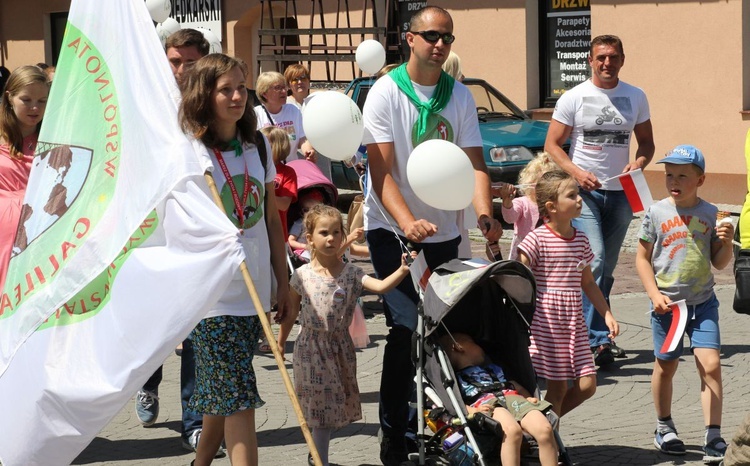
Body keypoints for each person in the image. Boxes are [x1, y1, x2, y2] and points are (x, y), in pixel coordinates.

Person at [361, 6, 503, 464]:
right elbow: (381, 171)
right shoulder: (384, 93)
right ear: (409, 39)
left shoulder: (458, 96)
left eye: (447, 37)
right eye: (430, 36)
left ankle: (443, 426)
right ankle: (393, 433)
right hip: (392, 229)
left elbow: (473, 164)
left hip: (445, 229)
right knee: (406, 329)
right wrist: (405, 223)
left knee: (447, 330)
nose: (439, 44)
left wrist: (484, 214)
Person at [179, 53, 290, 466]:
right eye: (225, 89)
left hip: (255, 286)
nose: (237, 96)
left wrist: (284, 282)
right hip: (214, 295)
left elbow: (271, 223)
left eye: (241, 87)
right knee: (239, 396)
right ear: (204, 94)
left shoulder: (256, 143)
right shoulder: (191, 151)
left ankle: (200, 462)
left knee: (223, 393)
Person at [544, 34, 655, 366]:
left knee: (605, 267)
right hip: (584, 195)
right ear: (591, 61)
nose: (607, 63)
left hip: (621, 193)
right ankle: (593, 340)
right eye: (601, 57)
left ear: (622, 59)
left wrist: (640, 162)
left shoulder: (636, 96)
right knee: (594, 260)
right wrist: (576, 174)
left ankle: (596, 336)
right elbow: (552, 145)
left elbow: (647, 143)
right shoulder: (575, 97)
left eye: (614, 57)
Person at [277, 204, 410, 466]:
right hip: (310, 348)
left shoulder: (352, 273)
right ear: (310, 238)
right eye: (324, 232)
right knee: (320, 407)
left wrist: (402, 270)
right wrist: (280, 343)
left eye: (336, 232)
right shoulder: (302, 275)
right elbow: (291, 313)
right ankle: (320, 460)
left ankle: (317, 450)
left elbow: (381, 287)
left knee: (333, 405)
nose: (331, 238)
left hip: (339, 348)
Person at [133, 28, 213, 457]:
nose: (181, 70)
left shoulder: (212, 107)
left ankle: (195, 422)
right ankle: (146, 383)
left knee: (196, 329)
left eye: (189, 62)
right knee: (155, 327)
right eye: (173, 61)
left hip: (195, 235)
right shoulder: (148, 104)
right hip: (152, 232)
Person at [635, 145, 734, 463]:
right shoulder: (656, 212)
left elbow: (719, 263)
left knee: (712, 366)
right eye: (669, 175)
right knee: (666, 367)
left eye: (682, 175)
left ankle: (713, 436)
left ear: (701, 179)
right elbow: (641, 259)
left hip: (703, 303)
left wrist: (728, 241)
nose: (673, 180)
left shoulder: (711, 213)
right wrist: (654, 294)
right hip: (669, 307)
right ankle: (664, 427)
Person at [517, 170, 619, 418]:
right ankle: (550, 443)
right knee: (558, 388)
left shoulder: (581, 240)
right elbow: (518, 277)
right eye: (572, 195)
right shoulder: (536, 239)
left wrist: (606, 314)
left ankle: (542, 423)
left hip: (574, 322)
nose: (579, 199)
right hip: (547, 322)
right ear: (551, 207)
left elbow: (589, 284)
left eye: (578, 194)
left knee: (587, 386)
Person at [440, 333, 558, 466]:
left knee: (545, 429)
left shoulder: (494, 369)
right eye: (474, 343)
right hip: (489, 404)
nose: (481, 348)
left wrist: (528, 397)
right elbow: (458, 403)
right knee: (512, 431)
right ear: (459, 347)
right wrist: (473, 410)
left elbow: (514, 385)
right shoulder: (457, 380)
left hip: (515, 399)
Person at [0, 65, 49, 285]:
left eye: (42, 101)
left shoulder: (56, 138)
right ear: (10, 98)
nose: (34, 108)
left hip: (41, 237)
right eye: (26, 100)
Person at [493, 152, 558, 260]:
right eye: (539, 184)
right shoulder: (523, 202)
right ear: (529, 182)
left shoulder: (556, 204)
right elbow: (510, 218)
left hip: (549, 248)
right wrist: (507, 201)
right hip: (523, 250)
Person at [254, 71, 315, 163]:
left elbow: (302, 138)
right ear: (264, 93)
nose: (284, 91)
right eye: (278, 88)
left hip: (290, 171)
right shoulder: (255, 115)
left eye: (284, 87)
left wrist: (308, 151)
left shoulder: (293, 110)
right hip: (266, 172)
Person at [261, 125, 296, 240]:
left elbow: (284, 204)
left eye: (264, 144)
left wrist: (263, 193)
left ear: (277, 147)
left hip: (277, 234)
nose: (258, 147)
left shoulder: (287, 172)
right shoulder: (254, 169)